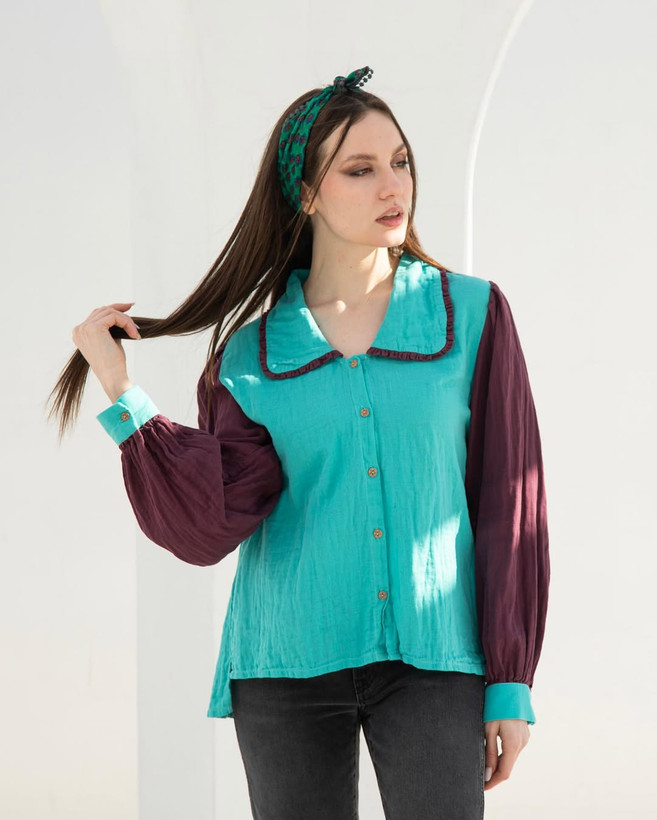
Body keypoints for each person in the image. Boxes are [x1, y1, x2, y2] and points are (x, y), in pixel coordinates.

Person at [48, 66, 550, 820]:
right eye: (360, 169)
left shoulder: (472, 315)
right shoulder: (250, 355)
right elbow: (212, 519)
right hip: (285, 665)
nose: (393, 186)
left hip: (436, 662)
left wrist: (510, 680)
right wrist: (124, 395)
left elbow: (511, 504)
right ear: (307, 193)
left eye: (400, 161)